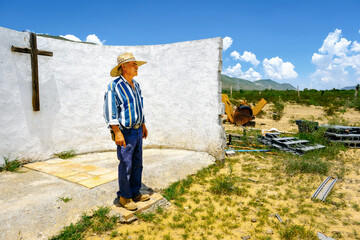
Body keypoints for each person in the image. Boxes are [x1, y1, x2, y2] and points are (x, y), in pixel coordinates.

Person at [103, 52, 150, 211]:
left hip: (137, 131)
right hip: (125, 132)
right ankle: (124, 196)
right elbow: (110, 112)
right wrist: (117, 132)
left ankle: (135, 192)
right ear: (123, 67)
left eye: (136, 64)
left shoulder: (136, 86)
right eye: (134, 64)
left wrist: (143, 124)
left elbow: (139, 106)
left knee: (137, 164)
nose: (137, 67)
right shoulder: (114, 86)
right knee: (126, 164)